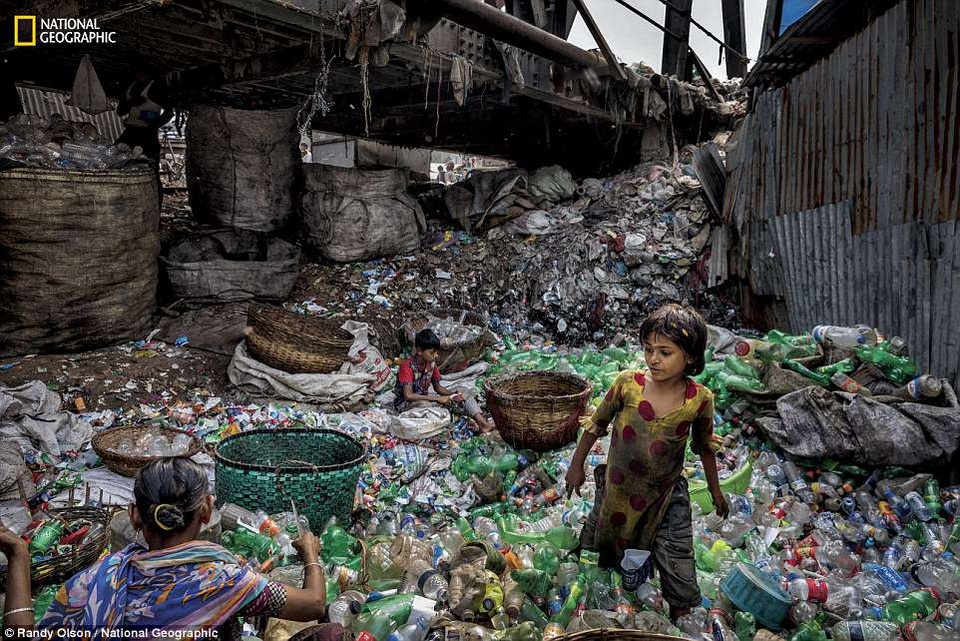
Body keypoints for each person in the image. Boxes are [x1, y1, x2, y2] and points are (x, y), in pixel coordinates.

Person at [0, 457, 340, 640]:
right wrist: (311, 552)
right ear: (206, 511)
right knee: (333, 633)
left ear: (134, 517)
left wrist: (19, 553)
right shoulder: (222, 581)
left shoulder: (95, 582)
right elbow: (313, 604)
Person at [565, 304, 729, 622]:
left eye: (665, 352)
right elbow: (596, 425)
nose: (654, 359)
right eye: (649, 349)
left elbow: (704, 448)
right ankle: (598, 605)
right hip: (618, 487)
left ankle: (682, 616)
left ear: (691, 357)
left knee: (677, 554)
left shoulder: (700, 399)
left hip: (665, 494)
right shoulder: (628, 384)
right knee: (599, 547)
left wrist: (715, 491)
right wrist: (576, 465)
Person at [394, 328, 493, 433]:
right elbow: (408, 396)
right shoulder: (407, 367)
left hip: (426, 398)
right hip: (406, 404)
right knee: (425, 405)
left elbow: (437, 387)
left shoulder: (431, 363)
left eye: (436, 352)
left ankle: (483, 423)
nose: (436, 356)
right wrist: (437, 399)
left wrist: (453, 395)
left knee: (463, 391)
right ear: (419, 351)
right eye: (432, 352)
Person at [115, 70, 174, 207]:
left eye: (142, 71)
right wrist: (131, 103)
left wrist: (154, 125)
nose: (139, 75)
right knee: (117, 162)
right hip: (130, 132)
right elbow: (120, 111)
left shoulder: (155, 88)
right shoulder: (131, 86)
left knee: (151, 172)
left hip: (147, 134)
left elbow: (169, 112)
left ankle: (154, 211)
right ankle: (127, 204)